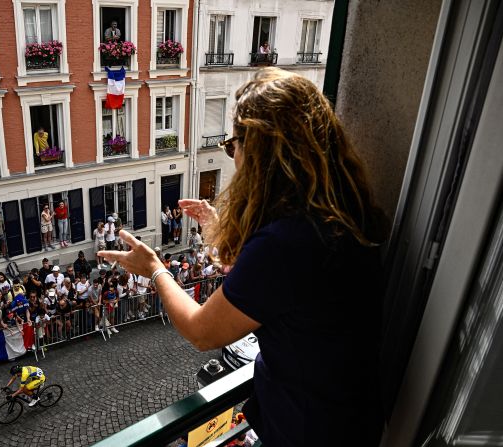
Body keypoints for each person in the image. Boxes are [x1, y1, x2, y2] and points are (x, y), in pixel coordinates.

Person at [99, 68, 389, 446]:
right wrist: (220, 232)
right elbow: (279, 288)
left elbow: (203, 332)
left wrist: (153, 269)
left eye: (233, 145)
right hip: (353, 417)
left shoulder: (286, 242)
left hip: (308, 429)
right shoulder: (341, 210)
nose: (233, 157)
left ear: (261, 151)